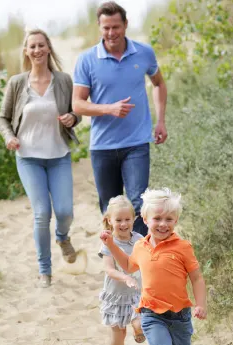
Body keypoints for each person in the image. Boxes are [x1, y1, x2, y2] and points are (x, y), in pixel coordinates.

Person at [99, 188, 207, 345]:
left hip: (180, 316)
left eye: (169, 219)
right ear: (146, 220)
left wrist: (200, 304)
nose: (163, 224)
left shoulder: (183, 247)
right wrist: (111, 244)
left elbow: (196, 278)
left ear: (176, 221)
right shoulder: (140, 247)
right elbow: (128, 266)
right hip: (150, 314)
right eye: (157, 218)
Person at [72, 1, 168, 236]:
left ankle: (138, 258)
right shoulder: (87, 60)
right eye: (106, 28)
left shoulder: (144, 52)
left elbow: (159, 83)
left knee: (138, 204)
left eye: (116, 27)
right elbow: (77, 104)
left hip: (136, 143)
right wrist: (109, 109)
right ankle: (114, 256)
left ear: (125, 25)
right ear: (99, 27)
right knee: (110, 208)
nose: (111, 33)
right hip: (103, 146)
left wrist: (160, 120)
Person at [0, 29, 82, 288]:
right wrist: (8, 137)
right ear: (26, 51)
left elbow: (75, 111)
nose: (37, 50)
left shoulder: (64, 81)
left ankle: (62, 236)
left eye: (41, 45)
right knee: (42, 212)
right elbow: (3, 118)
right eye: (32, 46)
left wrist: (73, 118)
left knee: (65, 211)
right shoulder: (17, 83)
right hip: (28, 157)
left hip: (59, 155)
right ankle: (45, 270)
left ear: (48, 48)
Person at [97, 195, 146, 345]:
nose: (123, 224)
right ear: (109, 220)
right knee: (118, 333)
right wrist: (125, 277)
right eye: (118, 220)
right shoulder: (108, 243)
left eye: (127, 219)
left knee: (138, 321)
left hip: (136, 292)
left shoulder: (139, 239)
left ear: (134, 219)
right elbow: (109, 270)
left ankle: (138, 328)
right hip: (116, 295)